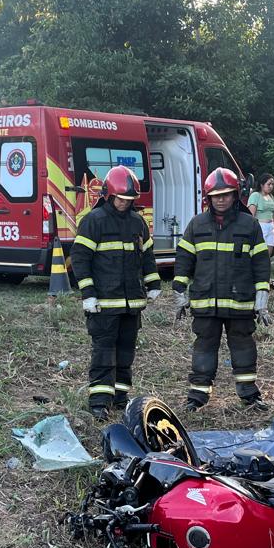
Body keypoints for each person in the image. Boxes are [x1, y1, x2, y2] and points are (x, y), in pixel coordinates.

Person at [172, 168, 272, 412]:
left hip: (240, 302)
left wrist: (262, 297)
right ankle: (197, 396)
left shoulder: (249, 225)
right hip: (206, 302)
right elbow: (184, 259)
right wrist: (179, 291)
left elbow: (261, 263)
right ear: (208, 198)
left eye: (226, 194)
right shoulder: (197, 225)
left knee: (243, 346)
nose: (221, 199)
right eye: (216, 195)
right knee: (204, 346)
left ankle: (249, 395)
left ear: (235, 195)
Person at [71, 165, 162, 420]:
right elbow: (80, 258)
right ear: (109, 195)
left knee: (125, 352)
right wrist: (88, 294)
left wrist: (153, 284)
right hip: (103, 303)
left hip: (131, 303)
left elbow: (147, 257)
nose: (124, 203)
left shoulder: (137, 222)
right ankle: (100, 401)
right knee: (103, 352)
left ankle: (120, 398)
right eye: (121, 199)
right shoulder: (94, 220)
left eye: (129, 200)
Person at [247, 174, 274, 257]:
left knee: (269, 253)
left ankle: (265, 269)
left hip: (270, 227)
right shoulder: (255, 195)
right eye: (269, 184)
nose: (271, 186)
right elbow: (251, 216)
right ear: (262, 185)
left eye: (272, 184)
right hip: (260, 226)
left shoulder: (271, 197)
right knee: (258, 253)